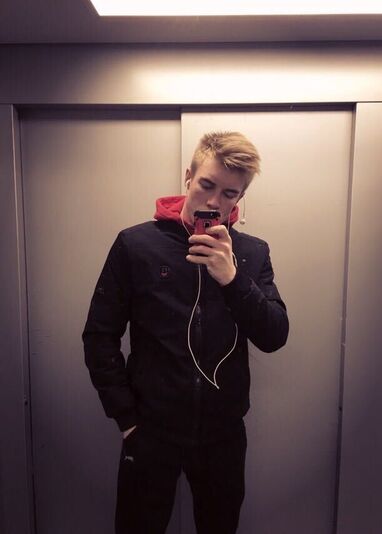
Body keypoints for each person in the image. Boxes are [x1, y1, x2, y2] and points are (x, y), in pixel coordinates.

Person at [83, 131, 289, 534]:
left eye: (229, 194)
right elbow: (99, 335)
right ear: (188, 177)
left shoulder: (251, 253)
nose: (214, 202)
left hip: (223, 435)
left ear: (240, 197)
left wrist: (232, 278)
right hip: (150, 430)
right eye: (206, 185)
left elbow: (274, 335)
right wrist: (126, 418)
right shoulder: (136, 245)